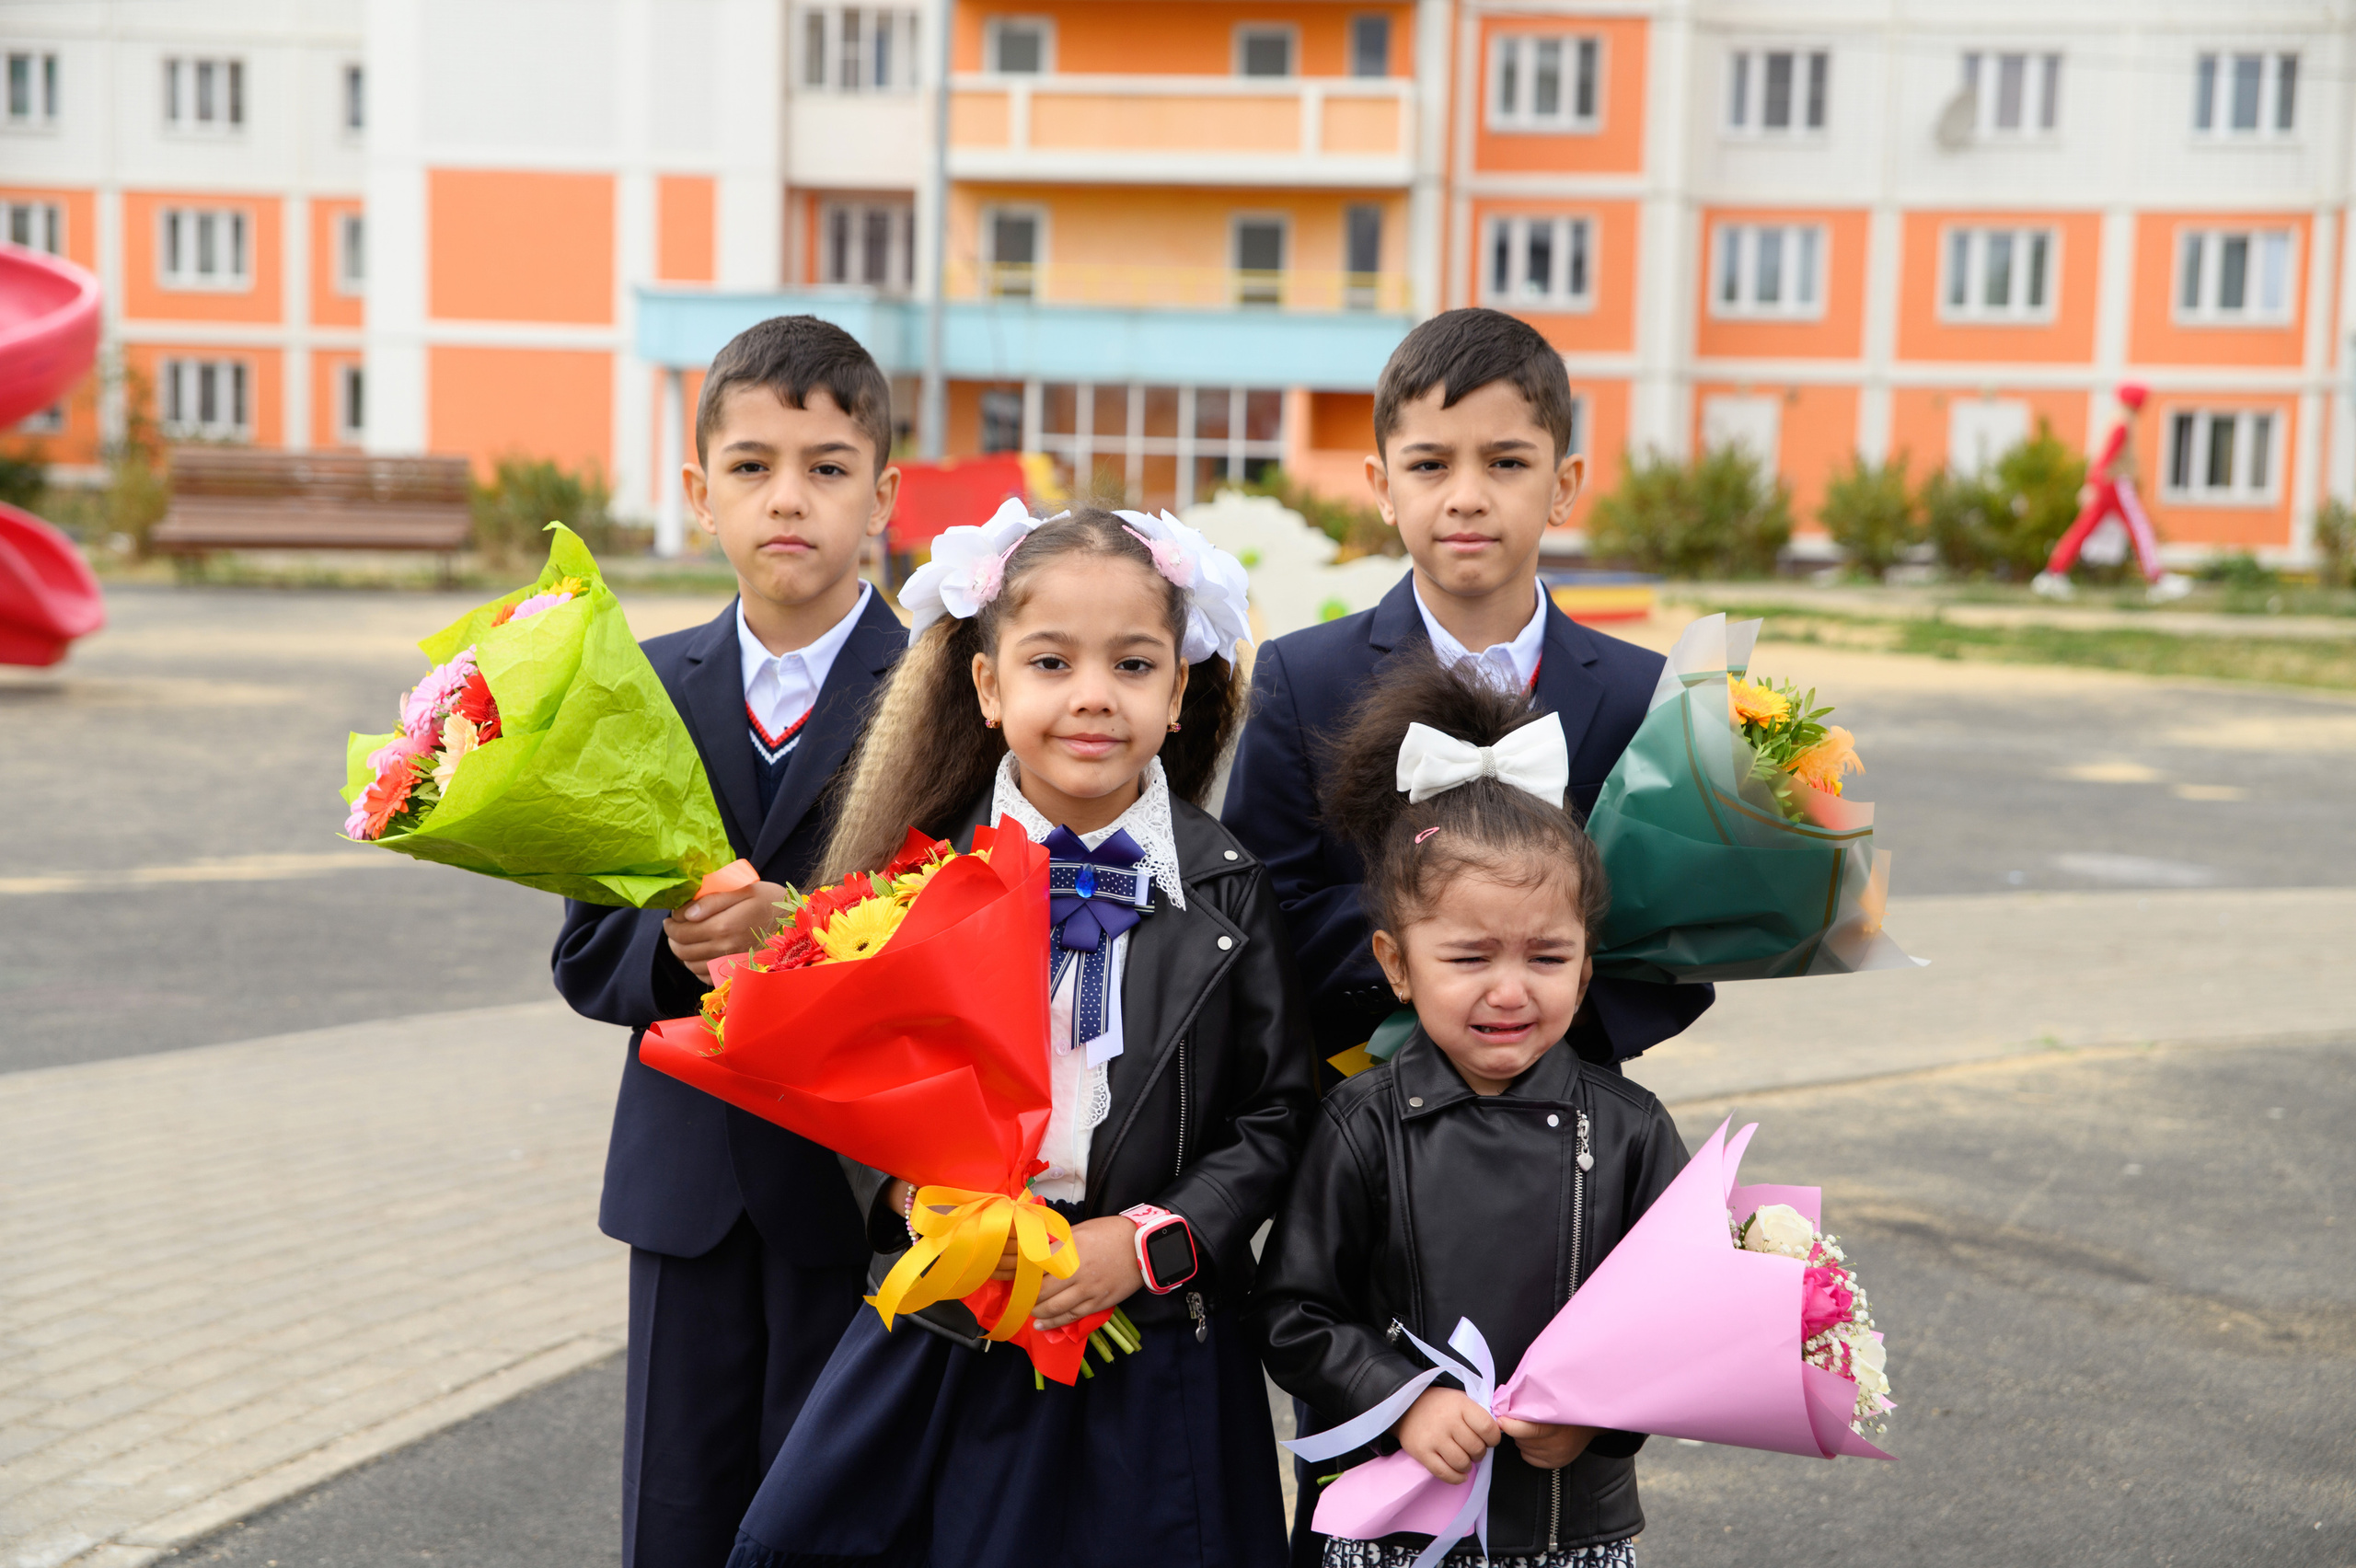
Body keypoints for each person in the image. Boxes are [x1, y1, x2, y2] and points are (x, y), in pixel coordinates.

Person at [722, 504, 1312, 1568]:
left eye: (1133, 665)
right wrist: (913, 1201)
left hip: (1153, 1344)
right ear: (991, 688)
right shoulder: (913, 882)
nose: (1092, 695)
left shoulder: (1228, 891)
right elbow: (853, 1083)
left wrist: (1146, 1246)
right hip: (957, 1326)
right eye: (1051, 662)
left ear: (1178, 694)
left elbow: (1277, 1112)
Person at [549, 316, 907, 1568]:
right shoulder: (637, 688)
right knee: (680, 1518)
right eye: (752, 467)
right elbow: (587, 955)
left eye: (826, 466)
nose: (788, 498)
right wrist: (677, 953)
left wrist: (807, 937)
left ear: (883, 494)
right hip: (687, 1188)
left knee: (839, 1520)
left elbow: (974, 932)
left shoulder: (947, 691)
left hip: (865, 1192)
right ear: (700, 494)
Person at [1251, 649, 1689, 1568]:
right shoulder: (1359, 1123)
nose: (1508, 990)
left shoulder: (1632, 1128)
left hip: (1571, 1525)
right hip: (1393, 1514)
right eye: (1468, 957)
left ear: (1586, 962)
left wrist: (1599, 1425)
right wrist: (1403, 1398)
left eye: (1545, 956)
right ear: (1396, 963)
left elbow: (1676, 1324)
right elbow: (1294, 1312)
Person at [1222, 307, 1711, 1078]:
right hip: (1350, 1115)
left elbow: (1684, 943)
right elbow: (1251, 921)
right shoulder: (1303, 678)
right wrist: (1439, 937)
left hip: (1570, 1115)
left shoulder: (1641, 693)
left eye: (1507, 463)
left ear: (1565, 485)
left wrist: (1541, 1022)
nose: (1467, 496)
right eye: (1430, 465)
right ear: (1383, 488)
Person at [2032, 383, 2193, 604]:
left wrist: (2093, 482)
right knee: (2140, 528)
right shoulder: (2123, 422)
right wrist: (2093, 482)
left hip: (2106, 482)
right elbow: (2108, 455)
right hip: (2116, 482)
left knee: (2083, 528)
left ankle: (2053, 574)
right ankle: (2158, 580)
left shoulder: (2117, 418)